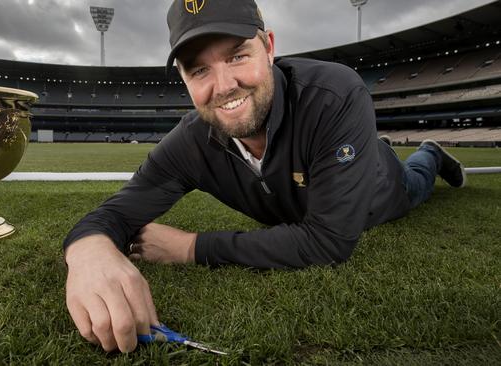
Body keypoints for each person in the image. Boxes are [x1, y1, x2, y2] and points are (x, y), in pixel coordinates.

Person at [62, 0, 466, 353]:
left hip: (379, 185)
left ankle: (430, 153)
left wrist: (191, 248)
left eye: (238, 56)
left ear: (269, 47)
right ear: (185, 81)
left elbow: (329, 240)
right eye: (199, 70)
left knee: (416, 184)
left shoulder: (334, 93)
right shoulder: (190, 141)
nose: (224, 85)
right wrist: (89, 253)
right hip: (318, 183)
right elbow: (115, 214)